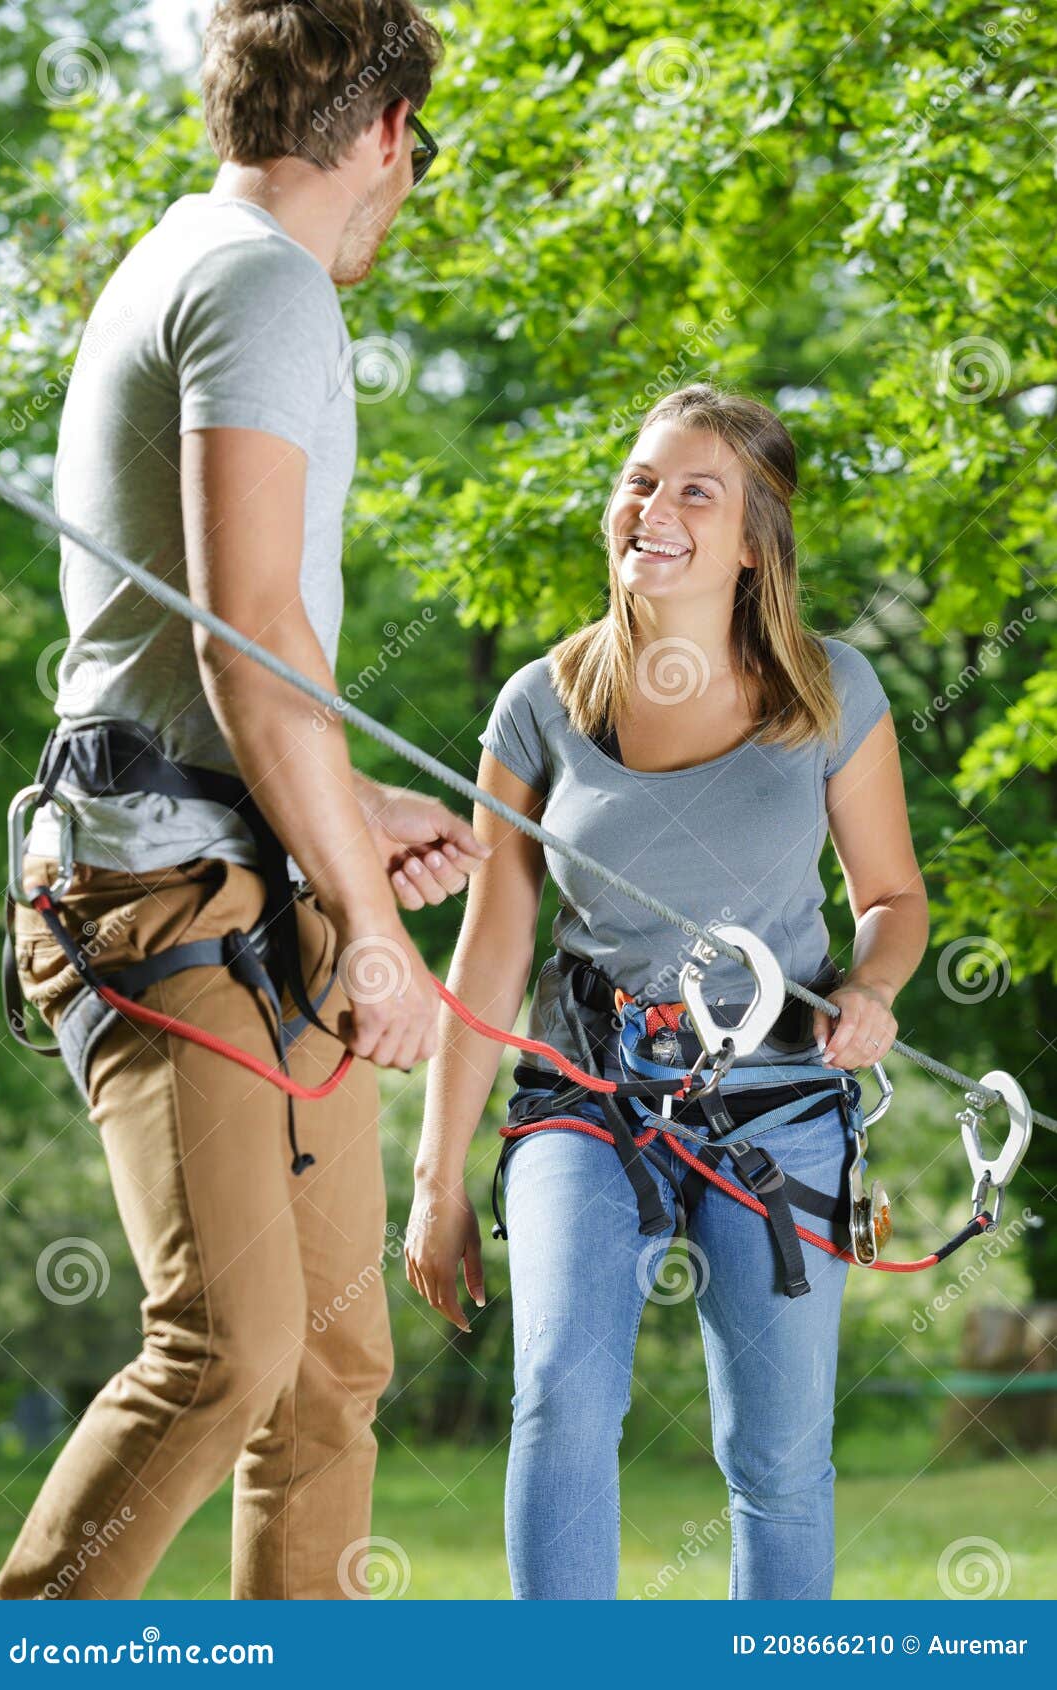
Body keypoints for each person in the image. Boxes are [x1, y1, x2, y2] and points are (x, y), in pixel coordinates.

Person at [0, 0, 491, 1602]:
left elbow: (197, 655)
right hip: (166, 896)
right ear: (388, 132)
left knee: (335, 1365)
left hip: (229, 864)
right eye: (414, 155)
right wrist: (370, 930)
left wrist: (341, 807)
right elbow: (247, 637)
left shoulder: (184, 262)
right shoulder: (259, 280)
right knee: (229, 1347)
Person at [405, 381, 929, 1600]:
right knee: (560, 1396)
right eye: (640, 479)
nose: (654, 507)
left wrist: (872, 986)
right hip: (585, 1096)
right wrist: (434, 1184)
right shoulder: (542, 701)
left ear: (751, 541)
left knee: (778, 1453)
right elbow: (488, 951)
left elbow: (891, 901)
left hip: (782, 1102)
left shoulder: (832, 690)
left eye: (696, 489)